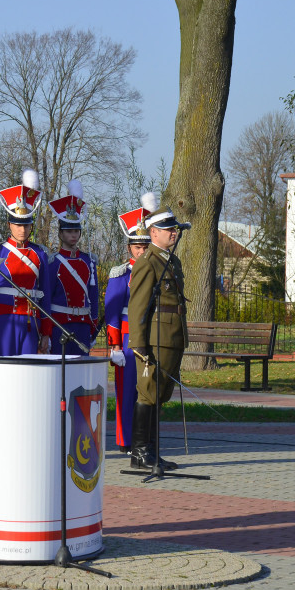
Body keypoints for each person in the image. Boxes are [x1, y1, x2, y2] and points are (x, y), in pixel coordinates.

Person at [126, 193, 185, 471]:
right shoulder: (147, 263)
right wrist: (138, 344)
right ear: (153, 233)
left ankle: (152, 450)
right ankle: (139, 452)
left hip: (171, 338)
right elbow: (137, 306)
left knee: (160, 395)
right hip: (154, 340)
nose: (174, 232)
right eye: (169, 229)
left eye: (175, 228)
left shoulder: (171, 262)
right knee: (148, 393)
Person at [0, 169, 52, 356]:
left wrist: (46, 333)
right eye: (18, 224)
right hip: (4, 321)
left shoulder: (40, 254)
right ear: (9, 224)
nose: (22, 229)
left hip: (31, 321)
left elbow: (47, 297)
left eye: (26, 225)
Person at [103, 200, 152, 453]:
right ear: (129, 247)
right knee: (126, 391)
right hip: (126, 338)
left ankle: (146, 437)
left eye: (145, 246)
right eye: (137, 246)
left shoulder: (156, 271)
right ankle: (125, 440)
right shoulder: (120, 274)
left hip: (150, 336)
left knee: (148, 389)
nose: (141, 251)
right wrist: (113, 346)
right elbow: (111, 312)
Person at [45, 180, 98, 356]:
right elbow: (47, 298)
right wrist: (47, 330)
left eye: (76, 231)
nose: (73, 235)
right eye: (68, 231)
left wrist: (93, 325)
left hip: (83, 324)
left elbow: (93, 296)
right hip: (60, 324)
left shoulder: (88, 261)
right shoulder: (53, 262)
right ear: (60, 233)